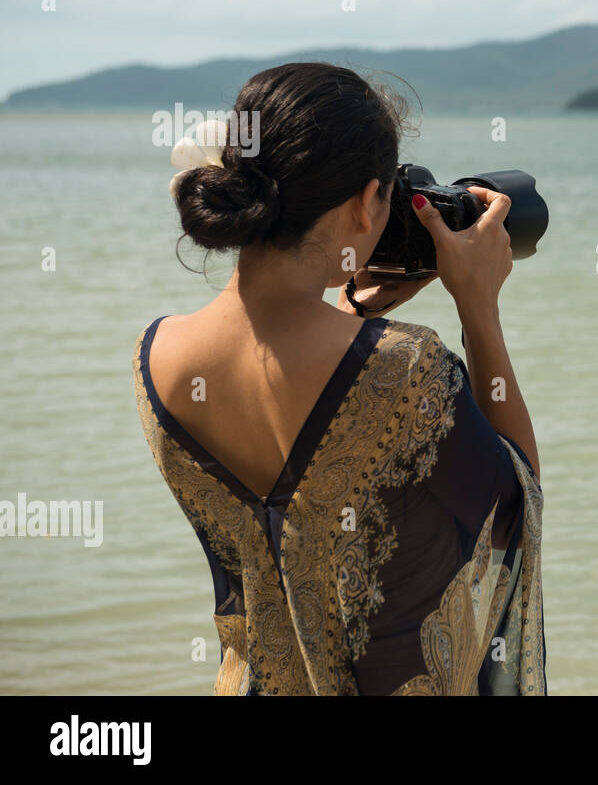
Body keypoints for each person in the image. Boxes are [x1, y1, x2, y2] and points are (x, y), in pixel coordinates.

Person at [131, 63, 544, 695]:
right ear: (363, 205)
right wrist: (478, 309)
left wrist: (353, 315)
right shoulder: (407, 370)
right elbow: (515, 498)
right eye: (390, 197)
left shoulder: (157, 355)